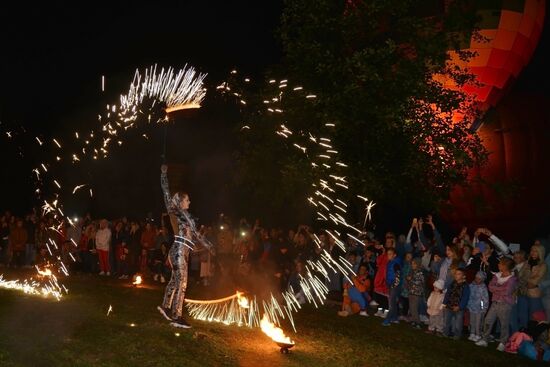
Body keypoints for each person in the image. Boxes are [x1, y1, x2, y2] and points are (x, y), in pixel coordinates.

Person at [157, 164, 210, 329]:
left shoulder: (188, 218)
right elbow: (166, 193)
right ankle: (177, 317)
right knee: (182, 283)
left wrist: (208, 245)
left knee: (175, 280)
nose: (190, 201)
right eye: (187, 199)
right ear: (180, 201)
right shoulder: (175, 212)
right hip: (178, 251)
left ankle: (166, 307)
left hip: (182, 252)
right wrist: (164, 175)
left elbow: (196, 235)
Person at [476, 257, 518, 351]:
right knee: (488, 320)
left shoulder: (512, 279)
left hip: (505, 304)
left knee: (504, 324)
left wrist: (496, 288)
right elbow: (490, 286)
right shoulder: (497, 275)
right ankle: (484, 339)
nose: (498, 265)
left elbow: (507, 291)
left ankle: (503, 342)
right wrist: (499, 289)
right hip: (495, 303)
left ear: (506, 266)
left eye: (500, 264)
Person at [442, 268, 470, 339]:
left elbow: (465, 298)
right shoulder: (452, 283)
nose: (456, 275)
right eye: (456, 274)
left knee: (458, 323)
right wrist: (444, 303)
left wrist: (460, 307)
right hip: (449, 305)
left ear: (463, 276)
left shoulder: (465, 286)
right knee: (446, 321)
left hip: (459, 308)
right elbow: (448, 293)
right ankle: (445, 333)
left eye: (459, 274)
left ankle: (457, 335)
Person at [467, 271, 489, 342]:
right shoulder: (471, 285)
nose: (477, 280)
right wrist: (468, 304)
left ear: (482, 279)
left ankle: (478, 334)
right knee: (472, 321)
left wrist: (483, 308)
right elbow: (468, 295)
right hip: (472, 307)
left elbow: (485, 299)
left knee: (478, 322)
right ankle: (472, 333)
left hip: (479, 308)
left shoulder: (483, 288)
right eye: (476, 278)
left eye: (479, 279)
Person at [382, 248, 402, 326]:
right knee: (393, 302)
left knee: (391, 303)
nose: (388, 255)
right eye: (388, 254)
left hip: (394, 286)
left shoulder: (395, 264)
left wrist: (394, 285)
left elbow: (398, 275)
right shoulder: (390, 263)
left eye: (390, 254)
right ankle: (395, 318)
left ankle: (388, 319)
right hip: (391, 285)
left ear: (394, 255)